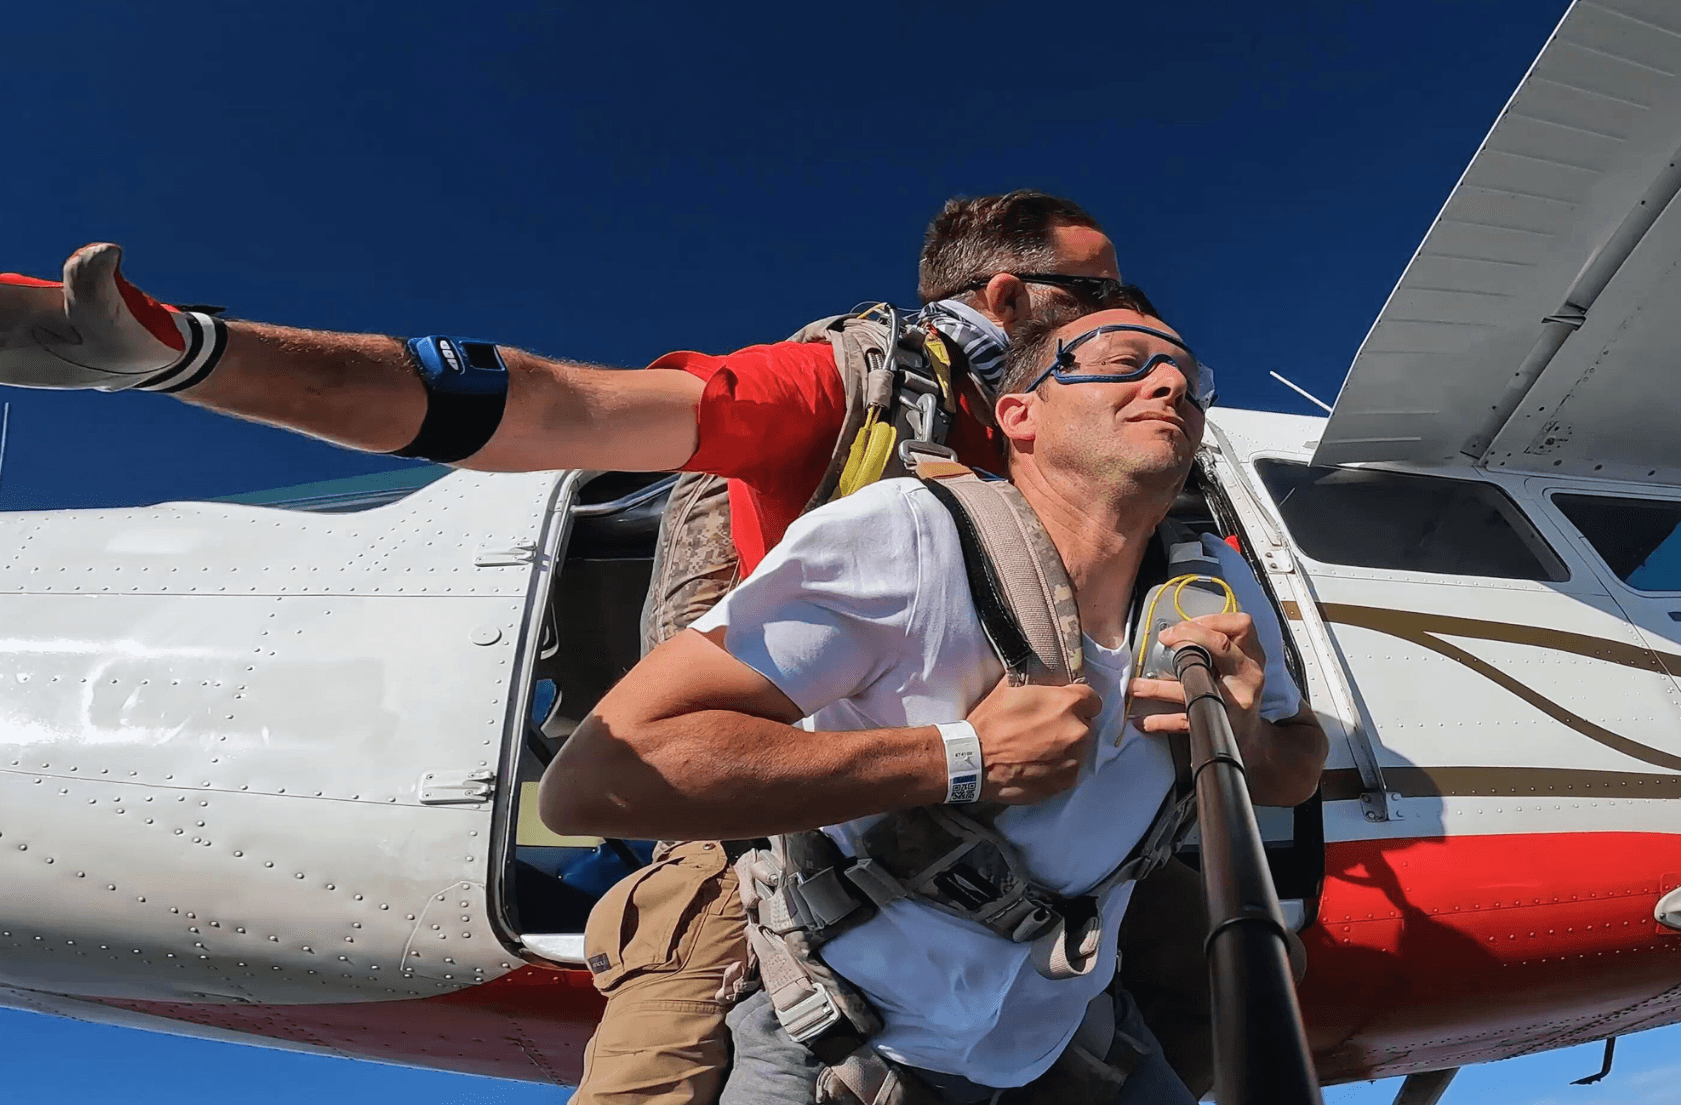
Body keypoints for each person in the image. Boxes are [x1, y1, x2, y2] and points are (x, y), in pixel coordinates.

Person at [0, 192, 1225, 1102]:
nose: (1139, 323)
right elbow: (558, 405)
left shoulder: (1124, 450)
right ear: (1004, 301)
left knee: (1204, 980)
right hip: (784, 824)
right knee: (669, 1044)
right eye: (1099, 290)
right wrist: (203, 358)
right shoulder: (842, 390)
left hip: (1036, 860)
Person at [537, 301, 1330, 1103]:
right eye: (1122, 362)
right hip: (845, 1047)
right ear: (1019, 415)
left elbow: (1295, 763)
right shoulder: (908, 536)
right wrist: (961, 757)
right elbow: (598, 778)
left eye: (1190, 379)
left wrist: (1248, 740)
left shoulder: (1211, 583)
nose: (1170, 384)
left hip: (1066, 1045)